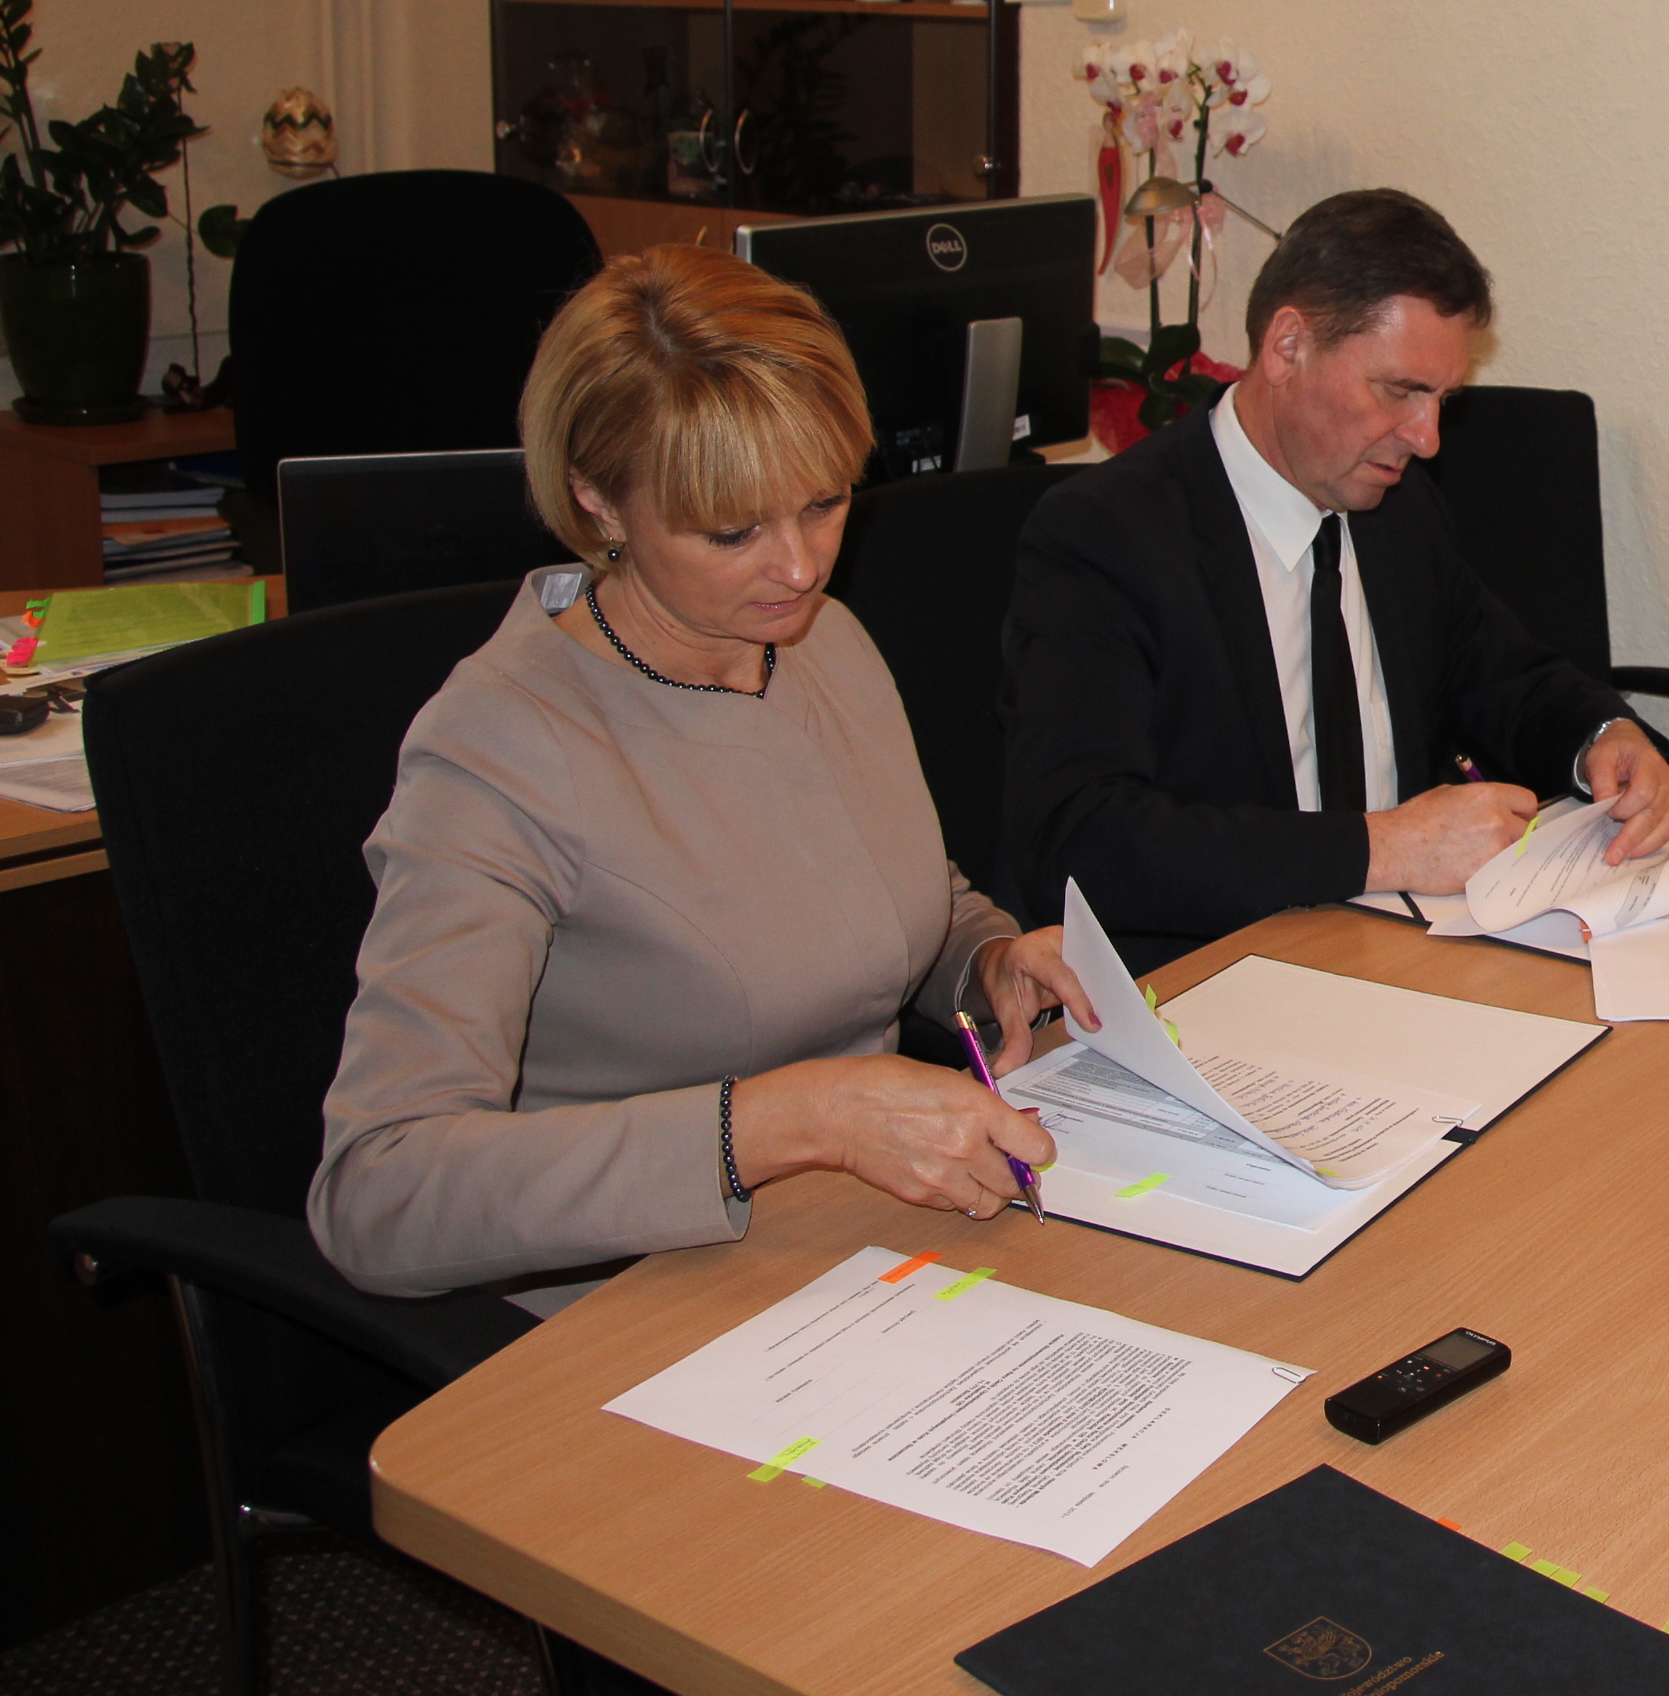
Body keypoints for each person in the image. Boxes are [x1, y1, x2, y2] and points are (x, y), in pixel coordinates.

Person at [311, 248, 1095, 1301]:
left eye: (824, 503)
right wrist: (781, 1123)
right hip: (635, 1294)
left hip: (858, 1241)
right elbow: (379, 1193)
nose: (800, 566)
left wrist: (987, 960)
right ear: (598, 501)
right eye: (733, 531)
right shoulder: (501, 748)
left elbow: (888, 902)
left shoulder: (821, 642)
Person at [999, 188, 1669, 971]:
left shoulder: (1396, 508)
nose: (1427, 439)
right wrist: (1381, 849)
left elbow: (1504, 677)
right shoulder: (1108, 535)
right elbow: (1082, 839)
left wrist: (1605, 736)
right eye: (1401, 391)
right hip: (1218, 979)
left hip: (1404, 957)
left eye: (1442, 400)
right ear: (1288, 347)